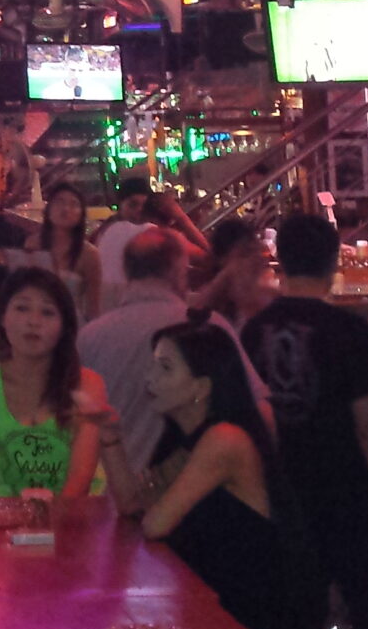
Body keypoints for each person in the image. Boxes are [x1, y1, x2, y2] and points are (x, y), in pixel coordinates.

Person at [83, 319, 318, 629]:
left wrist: (152, 501)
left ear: (202, 387)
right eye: (153, 365)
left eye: (165, 368)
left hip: (248, 618)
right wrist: (110, 437)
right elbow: (133, 505)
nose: (149, 378)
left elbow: (155, 524)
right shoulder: (184, 438)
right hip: (208, 602)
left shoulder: (224, 439)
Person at [240, 213, 368, 629]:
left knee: (301, 621)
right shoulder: (349, 330)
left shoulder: (253, 330)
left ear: (281, 260)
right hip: (348, 491)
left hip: (281, 491)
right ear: (334, 262)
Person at [77, 231, 260, 465]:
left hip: (104, 477)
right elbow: (256, 402)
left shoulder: (90, 336)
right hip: (186, 479)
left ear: (127, 270)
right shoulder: (206, 329)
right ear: (178, 270)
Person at [0, 267, 104, 499]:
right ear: (2, 317)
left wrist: (51, 518)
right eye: (22, 308)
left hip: (71, 517)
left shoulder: (88, 385)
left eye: (47, 312)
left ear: (64, 327)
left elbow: (80, 480)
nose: (33, 321)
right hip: (2, 516)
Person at [25, 186, 105, 317]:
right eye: (59, 202)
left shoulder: (89, 254)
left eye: (74, 204)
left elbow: (93, 306)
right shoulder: (33, 244)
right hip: (35, 317)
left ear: (82, 214)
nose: (66, 209)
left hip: (71, 321)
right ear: (48, 209)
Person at [91, 177, 156, 315]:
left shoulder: (105, 228)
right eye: (133, 204)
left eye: (144, 206)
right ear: (120, 204)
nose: (139, 210)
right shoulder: (140, 231)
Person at [194, 218, 275, 328]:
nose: (257, 259)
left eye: (257, 251)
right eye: (246, 253)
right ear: (223, 260)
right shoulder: (207, 307)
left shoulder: (268, 300)